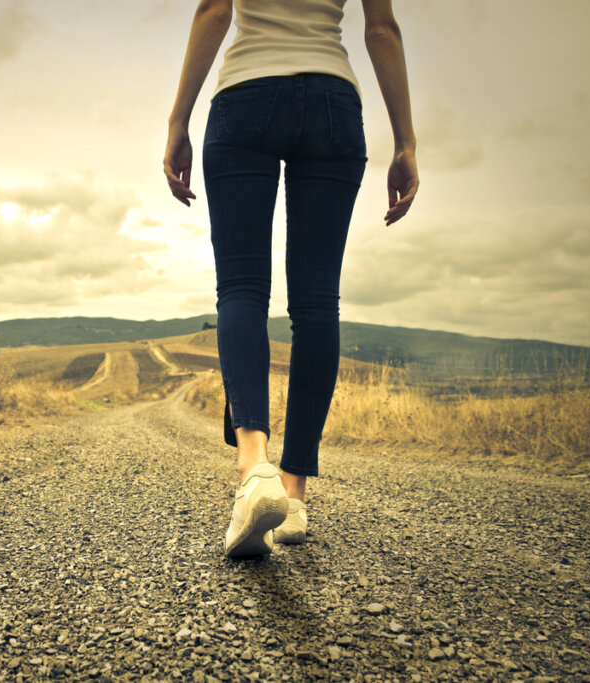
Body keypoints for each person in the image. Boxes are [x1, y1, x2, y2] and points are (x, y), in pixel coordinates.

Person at [164, 0, 418, 557]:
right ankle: (295, 498)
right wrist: (405, 142)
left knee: (241, 289)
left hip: (245, 94)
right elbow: (381, 28)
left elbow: (214, 10)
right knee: (317, 303)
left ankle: (255, 468)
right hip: (333, 99)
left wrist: (177, 121)